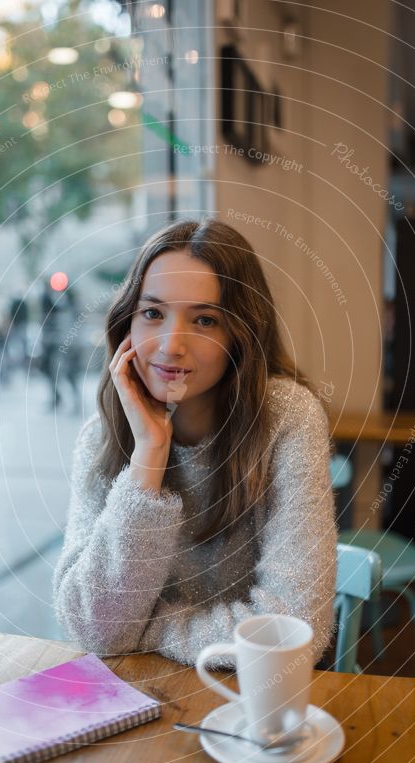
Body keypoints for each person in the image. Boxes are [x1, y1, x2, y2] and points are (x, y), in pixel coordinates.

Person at [53, 218, 337, 669]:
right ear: (127, 323)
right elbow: (95, 627)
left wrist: (150, 629)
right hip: (142, 701)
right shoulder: (101, 437)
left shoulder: (288, 418)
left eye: (205, 320)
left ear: (240, 334)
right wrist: (149, 454)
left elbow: (295, 627)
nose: (170, 346)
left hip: (253, 702)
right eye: (152, 314)